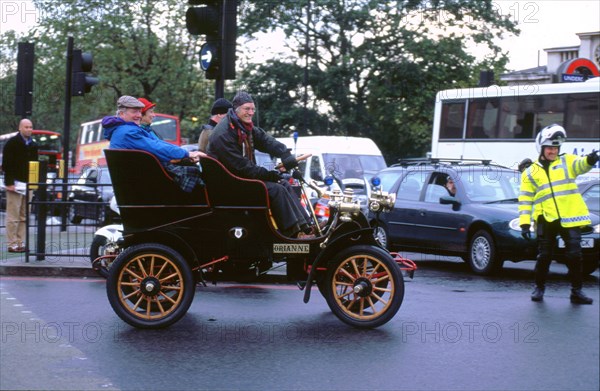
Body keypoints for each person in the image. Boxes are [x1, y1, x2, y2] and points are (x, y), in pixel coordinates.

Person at [207, 91, 313, 238]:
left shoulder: (243, 126)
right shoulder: (223, 133)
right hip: (228, 185)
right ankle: (293, 234)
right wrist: (268, 174)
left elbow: (265, 140)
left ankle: (307, 228)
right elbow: (241, 166)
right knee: (277, 189)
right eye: (247, 109)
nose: (250, 113)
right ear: (236, 108)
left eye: (252, 109)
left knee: (284, 184)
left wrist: (284, 153)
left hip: (238, 178)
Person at [518, 124, 599, 304]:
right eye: (550, 148)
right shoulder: (530, 172)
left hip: (569, 217)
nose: (553, 151)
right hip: (545, 219)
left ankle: (576, 292)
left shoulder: (567, 161)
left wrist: (591, 160)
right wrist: (524, 223)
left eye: (556, 148)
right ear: (541, 148)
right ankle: (539, 289)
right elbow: (525, 199)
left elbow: (581, 165)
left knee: (575, 256)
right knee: (544, 256)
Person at [102, 96, 206, 192]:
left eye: (139, 112)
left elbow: (157, 143)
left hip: (138, 179)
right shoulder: (128, 132)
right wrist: (187, 154)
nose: (138, 115)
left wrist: (185, 153)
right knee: (196, 173)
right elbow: (155, 147)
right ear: (121, 114)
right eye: (134, 112)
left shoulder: (126, 129)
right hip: (141, 182)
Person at [2, 119, 39, 252]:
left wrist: (34, 183)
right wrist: (9, 183)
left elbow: (35, 165)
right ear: (20, 128)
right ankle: (12, 244)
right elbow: (7, 164)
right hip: (15, 184)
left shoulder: (33, 145)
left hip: (28, 183)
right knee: (13, 215)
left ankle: (20, 242)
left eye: (31, 127)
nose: (29, 129)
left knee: (24, 215)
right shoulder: (12, 143)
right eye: (26, 127)